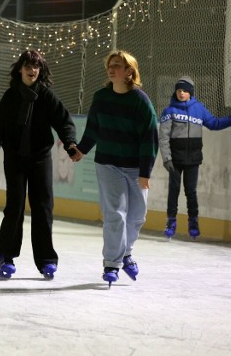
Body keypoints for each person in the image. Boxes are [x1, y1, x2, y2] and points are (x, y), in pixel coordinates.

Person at [0, 50, 78, 280]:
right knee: (14, 207)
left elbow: (64, 122)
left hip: (40, 158)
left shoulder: (47, 96)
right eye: (28, 66)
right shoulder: (10, 97)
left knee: (43, 207)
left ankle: (47, 260)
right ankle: (6, 257)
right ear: (20, 68)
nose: (32, 70)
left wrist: (71, 144)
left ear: (40, 71)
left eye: (37, 67)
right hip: (15, 159)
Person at [74, 50, 158, 287]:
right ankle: (112, 263)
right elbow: (93, 129)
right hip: (108, 164)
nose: (112, 69)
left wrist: (145, 172)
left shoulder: (140, 101)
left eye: (118, 65)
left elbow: (149, 138)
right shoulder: (101, 97)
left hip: (135, 168)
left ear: (129, 71)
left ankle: (126, 253)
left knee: (137, 216)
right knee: (115, 214)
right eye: (110, 65)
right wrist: (81, 150)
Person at [159, 76, 231, 239]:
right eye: (179, 90)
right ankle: (171, 221)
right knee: (173, 191)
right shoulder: (169, 111)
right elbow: (164, 137)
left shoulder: (199, 109)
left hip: (193, 159)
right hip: (174, 159)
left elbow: (213, 123)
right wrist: (166, 158)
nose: (181, 93)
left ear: (191, 93)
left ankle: (193, 221)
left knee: (191, 191)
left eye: (185, 91)